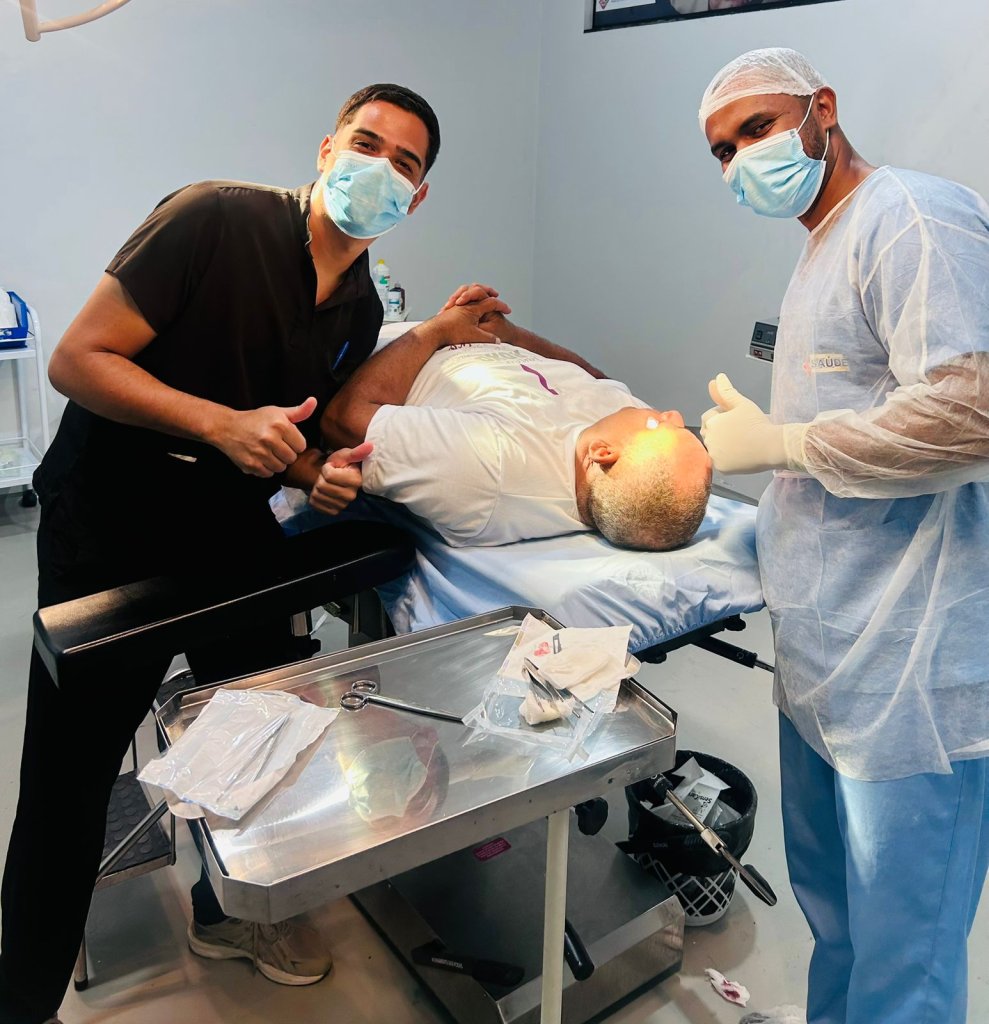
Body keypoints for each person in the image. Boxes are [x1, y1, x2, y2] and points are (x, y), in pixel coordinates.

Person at [0, 83, 448, 1024]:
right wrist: (217, 425)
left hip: (227, 533)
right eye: (367, 144)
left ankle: (227, 912)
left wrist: (318, 475)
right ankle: (23, 996)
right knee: (69, 780)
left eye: (404, 163)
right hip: (108, 526)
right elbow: (78, 361)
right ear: (327, 149)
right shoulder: (214, 219)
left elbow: (295, 433)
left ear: (416, 197)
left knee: (254, 739)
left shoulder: (358, 308)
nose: (379, 168)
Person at [697, 47, 989, 1024]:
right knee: (838, 924)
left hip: (911, 673)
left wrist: (783, 442)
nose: (741, 158)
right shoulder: (820, 247)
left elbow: (969, 412)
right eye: (721, 150)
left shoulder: (910, 215)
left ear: (820, 108)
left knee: (904, 961)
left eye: (756, 128)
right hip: (824, 661)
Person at [309, 303, 712, 552]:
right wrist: (508, 335)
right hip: (463, 338)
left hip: (356, 346)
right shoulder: (620, 438)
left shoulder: (492, 471)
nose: (672, 414)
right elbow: (596, 381)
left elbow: (343, 421)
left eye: (660, 425)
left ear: (603, 454)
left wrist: (438, 330)